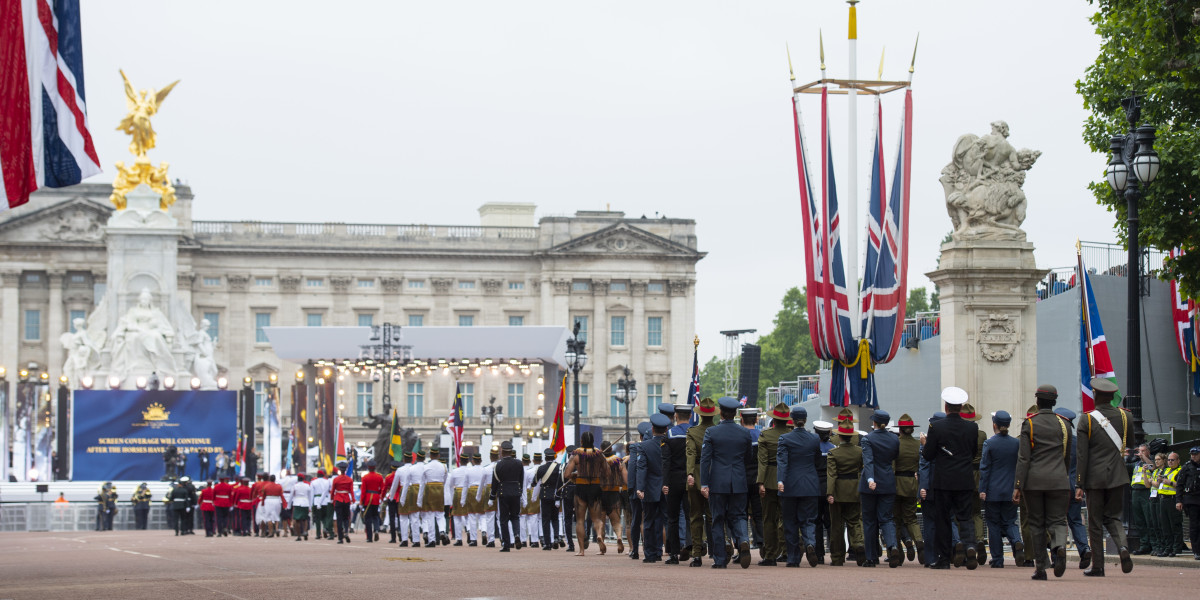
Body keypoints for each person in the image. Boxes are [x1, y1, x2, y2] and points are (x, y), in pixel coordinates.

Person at [1076, 378, 1135, 575]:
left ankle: (1098, 566)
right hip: (1118, 475)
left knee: (1095, 523)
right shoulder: (1127, 417)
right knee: (1113, 517)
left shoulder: (1087, 419)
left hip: (1095, 478)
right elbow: (1130, 443)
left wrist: (1079, 482)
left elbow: (1082, 455)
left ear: (1095, 395)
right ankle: (1123, 548)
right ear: (1111, 397)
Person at [1015, 384, 1072, 581]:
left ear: (1037, 401)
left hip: (1034, 482)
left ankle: (1041, 567)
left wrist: (1018, 485)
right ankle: (1059, 546)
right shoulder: (1064, 424)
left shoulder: (1029, 424)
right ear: (1055, 402)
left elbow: (1024, 458)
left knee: (1036, 523)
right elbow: (1067, 456)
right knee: (1057, 520)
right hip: (1059, 480)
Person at [923, 386, 982, 570]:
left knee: (943, 520)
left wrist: (925, 444)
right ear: (961, 407)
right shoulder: (972, 427)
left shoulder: (936, 427)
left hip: (943, 481)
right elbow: (972, 453)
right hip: (964, 479)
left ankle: (943, 558)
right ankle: (970, 546)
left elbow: (928, 455)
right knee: (965, 517)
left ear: (946, 407)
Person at [699, 396, 754, 569]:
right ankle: (743, 540)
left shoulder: (711, 432)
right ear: (736, 413)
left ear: (721, 413)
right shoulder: (745, 433)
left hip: (717, 482)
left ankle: (720, 559)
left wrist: (704, 483)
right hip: (738, 480)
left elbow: (705, 460)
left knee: (718, 519)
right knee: (739, 515)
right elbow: (748, 458)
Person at [776, 405, 821, 568]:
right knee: (809, 520)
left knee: (790, 522)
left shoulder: (785, 439)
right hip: (810, 483)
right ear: (806, 420)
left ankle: (794, 557)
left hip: (790, 485)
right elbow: (817, 460)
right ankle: (810, 543)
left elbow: (782, 462)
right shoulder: (815, 439)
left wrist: (780, 480)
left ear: (792, 420)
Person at [979, 410, 1022, 568]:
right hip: (1011, 488)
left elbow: (985, 468)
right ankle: (1017, 541)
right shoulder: (1016, 443)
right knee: (1010, 521)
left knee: (993, 525)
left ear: (994, 424)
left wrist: (982, 489)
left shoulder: (989, 443)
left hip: (993, 490)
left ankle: (998, 559)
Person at [860, 410, 902, 568]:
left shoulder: (867, 439)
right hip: (887, 481)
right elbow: (894, 457)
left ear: (874, 423)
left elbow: (868, 461)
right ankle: (892, 546)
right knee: (887, 518)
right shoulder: (894, 439)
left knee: (870, 521)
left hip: (870, 484)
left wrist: (870, 479)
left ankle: (871, 557)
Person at [1055, 407, 1091, 570]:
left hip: (1057, 486)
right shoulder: (1078, 441)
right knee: (1076, 521)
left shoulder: (1054, 440)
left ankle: (1058, 553)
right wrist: (1080, 485)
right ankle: (1084, 549)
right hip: (1074, 486)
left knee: (1057, 521)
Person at [826, 415, 864, 567]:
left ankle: (837, 557)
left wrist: (829, 493)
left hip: (838, 491)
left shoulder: (833, 453)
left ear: (840, 436)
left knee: (837, 525)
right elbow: (862, 470)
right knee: (855, 522)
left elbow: (832, 475)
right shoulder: (860, 451)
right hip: (855, 489)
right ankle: (859, 544)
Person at [756, 402, 791, 566]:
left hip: (769, 478)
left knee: (769, 519)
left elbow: (762, 461)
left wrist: (761, 482)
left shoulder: (766, 435)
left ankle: (770, 555)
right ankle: (788, 552)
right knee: (788, 518)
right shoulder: (792, 434)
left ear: (774, 419)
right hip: (789, 479)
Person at [564, 432, 608, 556]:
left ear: (581, 441)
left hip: (581, 487)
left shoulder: (576, 453)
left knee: (580, 520)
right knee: (597, 519)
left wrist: (575, 475)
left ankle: (582, 550)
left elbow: (566, 474)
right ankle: (599, 535)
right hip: (595, 486)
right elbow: (607, 472)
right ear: (593, 441)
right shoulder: (599, 453)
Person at [685, 397, 718, 566]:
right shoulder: (718, 430)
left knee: (695, 517)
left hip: (696, 475)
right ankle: (718, 550)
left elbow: (690, 453)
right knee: (715, 517)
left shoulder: (692, 432)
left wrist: (690, 473)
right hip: (715, 475)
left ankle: (697, 554)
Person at [637, 413, 669, 563]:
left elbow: (642, 468)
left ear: (652, 428)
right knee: (668, 520)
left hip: (650, 488)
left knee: (649, 521)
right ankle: (672, 552)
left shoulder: (644, 446)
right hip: (668, 487)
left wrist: (641, 488)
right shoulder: (670, 443)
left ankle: (651, 553)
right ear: (666, 429)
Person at [893, 413, 924, 565]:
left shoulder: (895, 443)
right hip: (912, 483)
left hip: (896, 483)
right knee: (911, 518)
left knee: (896, 520)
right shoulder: (918, 444)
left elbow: (892, 466)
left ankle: (898, 552)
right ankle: (919, 542)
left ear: (900, 429)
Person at [663, 404, 691, 563]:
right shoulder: (694, 432)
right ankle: (691, 547)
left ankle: (673, 554)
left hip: (673, 479)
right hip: (690, 479)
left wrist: (665, 482)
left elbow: (666, 461)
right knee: (690, 516)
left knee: (672, 518)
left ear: (675, 416)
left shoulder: (670, 434)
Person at [492, 441, 525, 552]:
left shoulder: (498, 464)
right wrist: (519, 492)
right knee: (515, 517)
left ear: (502, 451)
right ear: (511, 451)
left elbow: (495, 482)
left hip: (503, 493)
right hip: (516, 492)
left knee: (504, 519)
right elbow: (521, 480)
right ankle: (516, 534)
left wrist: (492, 496)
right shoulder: (519, 463)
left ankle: (506, 544)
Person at [739, 407, 765, 552]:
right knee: (759, 514)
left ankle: (743, 543)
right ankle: (762, 544)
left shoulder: (739, 436)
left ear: (742, 420)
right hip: (757, 479)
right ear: (756, 419)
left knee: (741, 514)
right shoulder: (762, 436)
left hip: (742, 479)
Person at [812, 420, 835, 564]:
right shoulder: (833, 448)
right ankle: (835, 552)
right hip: (829, 488)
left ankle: (819, 554)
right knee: (830, 522)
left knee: (816, 522)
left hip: (814, 487)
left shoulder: (813, 448)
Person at [599, 442, 628, 555]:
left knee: (600, 521)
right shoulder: (618, 460)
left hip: (601, 493)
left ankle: (600, 541)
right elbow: (625, 478)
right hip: (615, 492)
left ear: (602, 449)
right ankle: (619, 537)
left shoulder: (598, 461)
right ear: (611, 448)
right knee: (616, 520)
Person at [626, 422, 649, 559]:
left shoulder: (635, 447)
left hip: (636, 489)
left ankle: (635, 550)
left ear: (640, 436)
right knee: (649, 518)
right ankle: (649, 549)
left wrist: (630, 488)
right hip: (650, 487)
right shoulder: (655, 445)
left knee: (636, 519)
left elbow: (632, 468)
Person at [419, 448, 450, 547]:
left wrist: (419, 499)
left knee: (430, 515)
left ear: (430, 455)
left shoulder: (426, 466)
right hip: (440, 489)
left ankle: (432, 540)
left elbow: (422, 484)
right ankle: (442, 531)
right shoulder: (444, 466)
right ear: (439, 456)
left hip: (429, 489)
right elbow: (445, 480)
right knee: (440, 514)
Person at [1130, 444, 1157, 555]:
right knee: (1139, 520)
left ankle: (1154, 545)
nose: (1140, 453)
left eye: (1143, 451)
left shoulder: (1150, 462)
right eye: (1139, 451)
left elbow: (1152, 466)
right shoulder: (1136, 464)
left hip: (1145, 492)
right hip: (1135, 492)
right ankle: (1144, 545)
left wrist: (1143, 457)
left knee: (1149, 519)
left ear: (1148, 452)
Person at [536, 449, 564, 551]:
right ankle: (556, 537)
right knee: (555, 518)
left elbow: (535, 482)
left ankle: (547, 543)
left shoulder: (541, 468)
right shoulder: (559, 467)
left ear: (545, 457)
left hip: (545, 496)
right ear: (554, 457)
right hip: (555, 496)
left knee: (545, 520)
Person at [1158, 452, 1185, 556]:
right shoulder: (1166, 470)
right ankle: (1168, 548)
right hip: (1163, 499)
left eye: (1172, 460)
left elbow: (1181, 485)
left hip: (1173, 499)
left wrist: (1168, 482)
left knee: (1175, 525)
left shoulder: (1181, 471)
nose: (1170, 462)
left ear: (1178, 461)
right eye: (1169, 460)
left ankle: (1176, 548)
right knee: (1165, 526)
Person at [1178, 447, 1200, 560]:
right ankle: (1196, 551)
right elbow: (1180, 485)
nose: (1193, 456)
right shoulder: (1186, 467)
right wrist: (1179, 501)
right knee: (1194, 526)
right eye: (1192, 454)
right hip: (1191, 500)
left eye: (1195, 454)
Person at [359, 459, 384, 542]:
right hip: (376, 498)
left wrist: (361, 502)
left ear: (368, 467)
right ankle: (376, 530)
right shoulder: (379, 476)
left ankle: (369, 537)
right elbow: (382, 488)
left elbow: (363, 491)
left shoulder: (365, 477)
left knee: (368, 518)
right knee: (376, 516)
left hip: (367, 498)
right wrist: (380, 496)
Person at [331, 462, 355, 544]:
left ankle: (340, 538)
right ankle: (346, 531)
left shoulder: (336, 479)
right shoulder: (349, 479)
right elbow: (351, 491)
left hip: (338, 499)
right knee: (346, 517)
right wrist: (353, 500)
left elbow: (333, 491)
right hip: (346, 499)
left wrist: (331, 499)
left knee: (339, 518)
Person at [310, 470, 333, 540]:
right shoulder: (327, 481)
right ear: (323, 475)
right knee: (326, 517)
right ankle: (325, 528)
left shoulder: (313, 482)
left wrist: (311, 504)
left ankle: (318, 534)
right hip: (326, 500)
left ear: (317, 475)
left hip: (317, 500)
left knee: (317, 518)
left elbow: (311, 494)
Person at [292, 473, 313, 540]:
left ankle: (299, 535)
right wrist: (310, 506)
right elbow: (310, 496)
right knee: (305, 519)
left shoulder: (295, 486)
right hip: (305, 503)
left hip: (297, 503)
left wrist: (289, 505)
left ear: (298, 479)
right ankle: (305, 531)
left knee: (297, 520)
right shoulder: (307, 486)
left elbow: (291, 496)